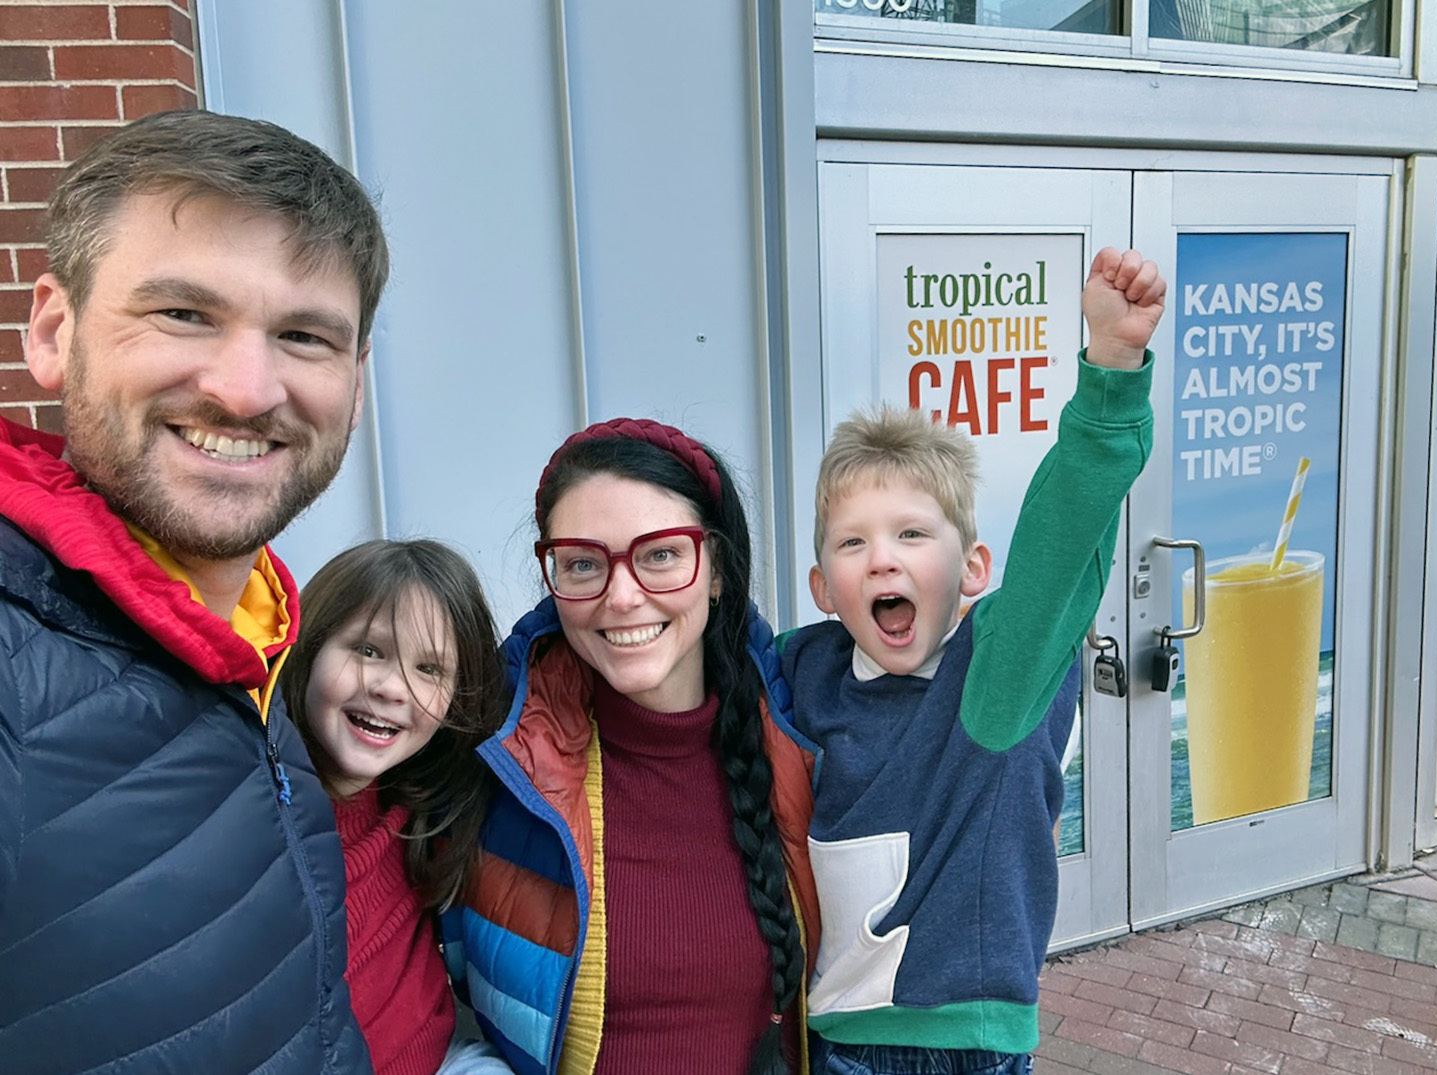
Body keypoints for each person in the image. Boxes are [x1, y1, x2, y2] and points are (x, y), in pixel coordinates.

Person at [0, 109, 388, 1073]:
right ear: (54, 331)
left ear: (356, 379)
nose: (248, 389)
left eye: (303, 335)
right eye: (183, 313)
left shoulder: (256, 644)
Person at [781, 247, 1164, 1075]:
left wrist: (1112, 366)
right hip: (828, 1043)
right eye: (854, 542)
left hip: (957, 1052)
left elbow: (1061, 540)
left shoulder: (996, 685)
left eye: (913, 534)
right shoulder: (797, 674)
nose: (883, 558)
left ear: (974, 572)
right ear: (822, 585)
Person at [440, 419, 821, 1074]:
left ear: (718, 570)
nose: (621, 596)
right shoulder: (490, 754)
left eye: (661, 555)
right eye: (584, 563)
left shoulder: (806, 725)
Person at [282, 539, 514, 1075]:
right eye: (368, 650)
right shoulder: (248, 805)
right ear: (310, 647)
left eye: (430, 669)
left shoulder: (431, 810)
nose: (392, 688)